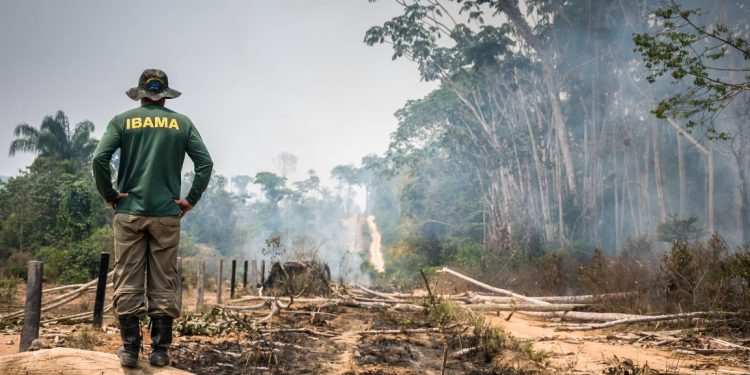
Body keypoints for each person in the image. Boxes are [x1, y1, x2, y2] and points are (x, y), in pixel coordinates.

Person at [93, 69, 213, 368]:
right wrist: (190, 199)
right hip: (166, 215)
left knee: (127, 277)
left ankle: (131, 350)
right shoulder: (182, 123)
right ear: (165, 95)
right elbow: (205, 163)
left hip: (130, 213)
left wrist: (110, 194)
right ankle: (160, 351)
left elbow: (99, 159)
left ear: (141, 93)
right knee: (164, 278)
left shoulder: (122, 121)